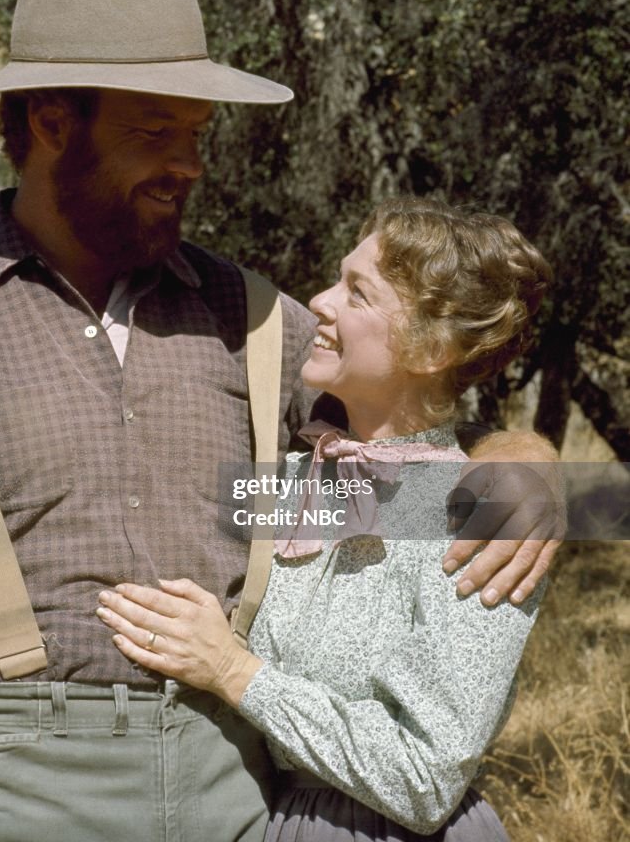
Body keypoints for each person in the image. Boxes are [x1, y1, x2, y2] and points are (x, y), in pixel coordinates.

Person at [0, 0, 558, 842]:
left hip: (244, 789)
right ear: (50, 122)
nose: (189, 165)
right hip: (13, 783)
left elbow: (402, 436)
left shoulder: (249, 313)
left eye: (196, 134)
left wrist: (525, 458)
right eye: (154, 132)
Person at [95, 196, 554, 841]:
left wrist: (232, 671)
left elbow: (424, 779)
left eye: (358, 293)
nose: (319, 301)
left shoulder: (483, 513)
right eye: (338, 278)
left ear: (432, 348)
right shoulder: (293, 483)